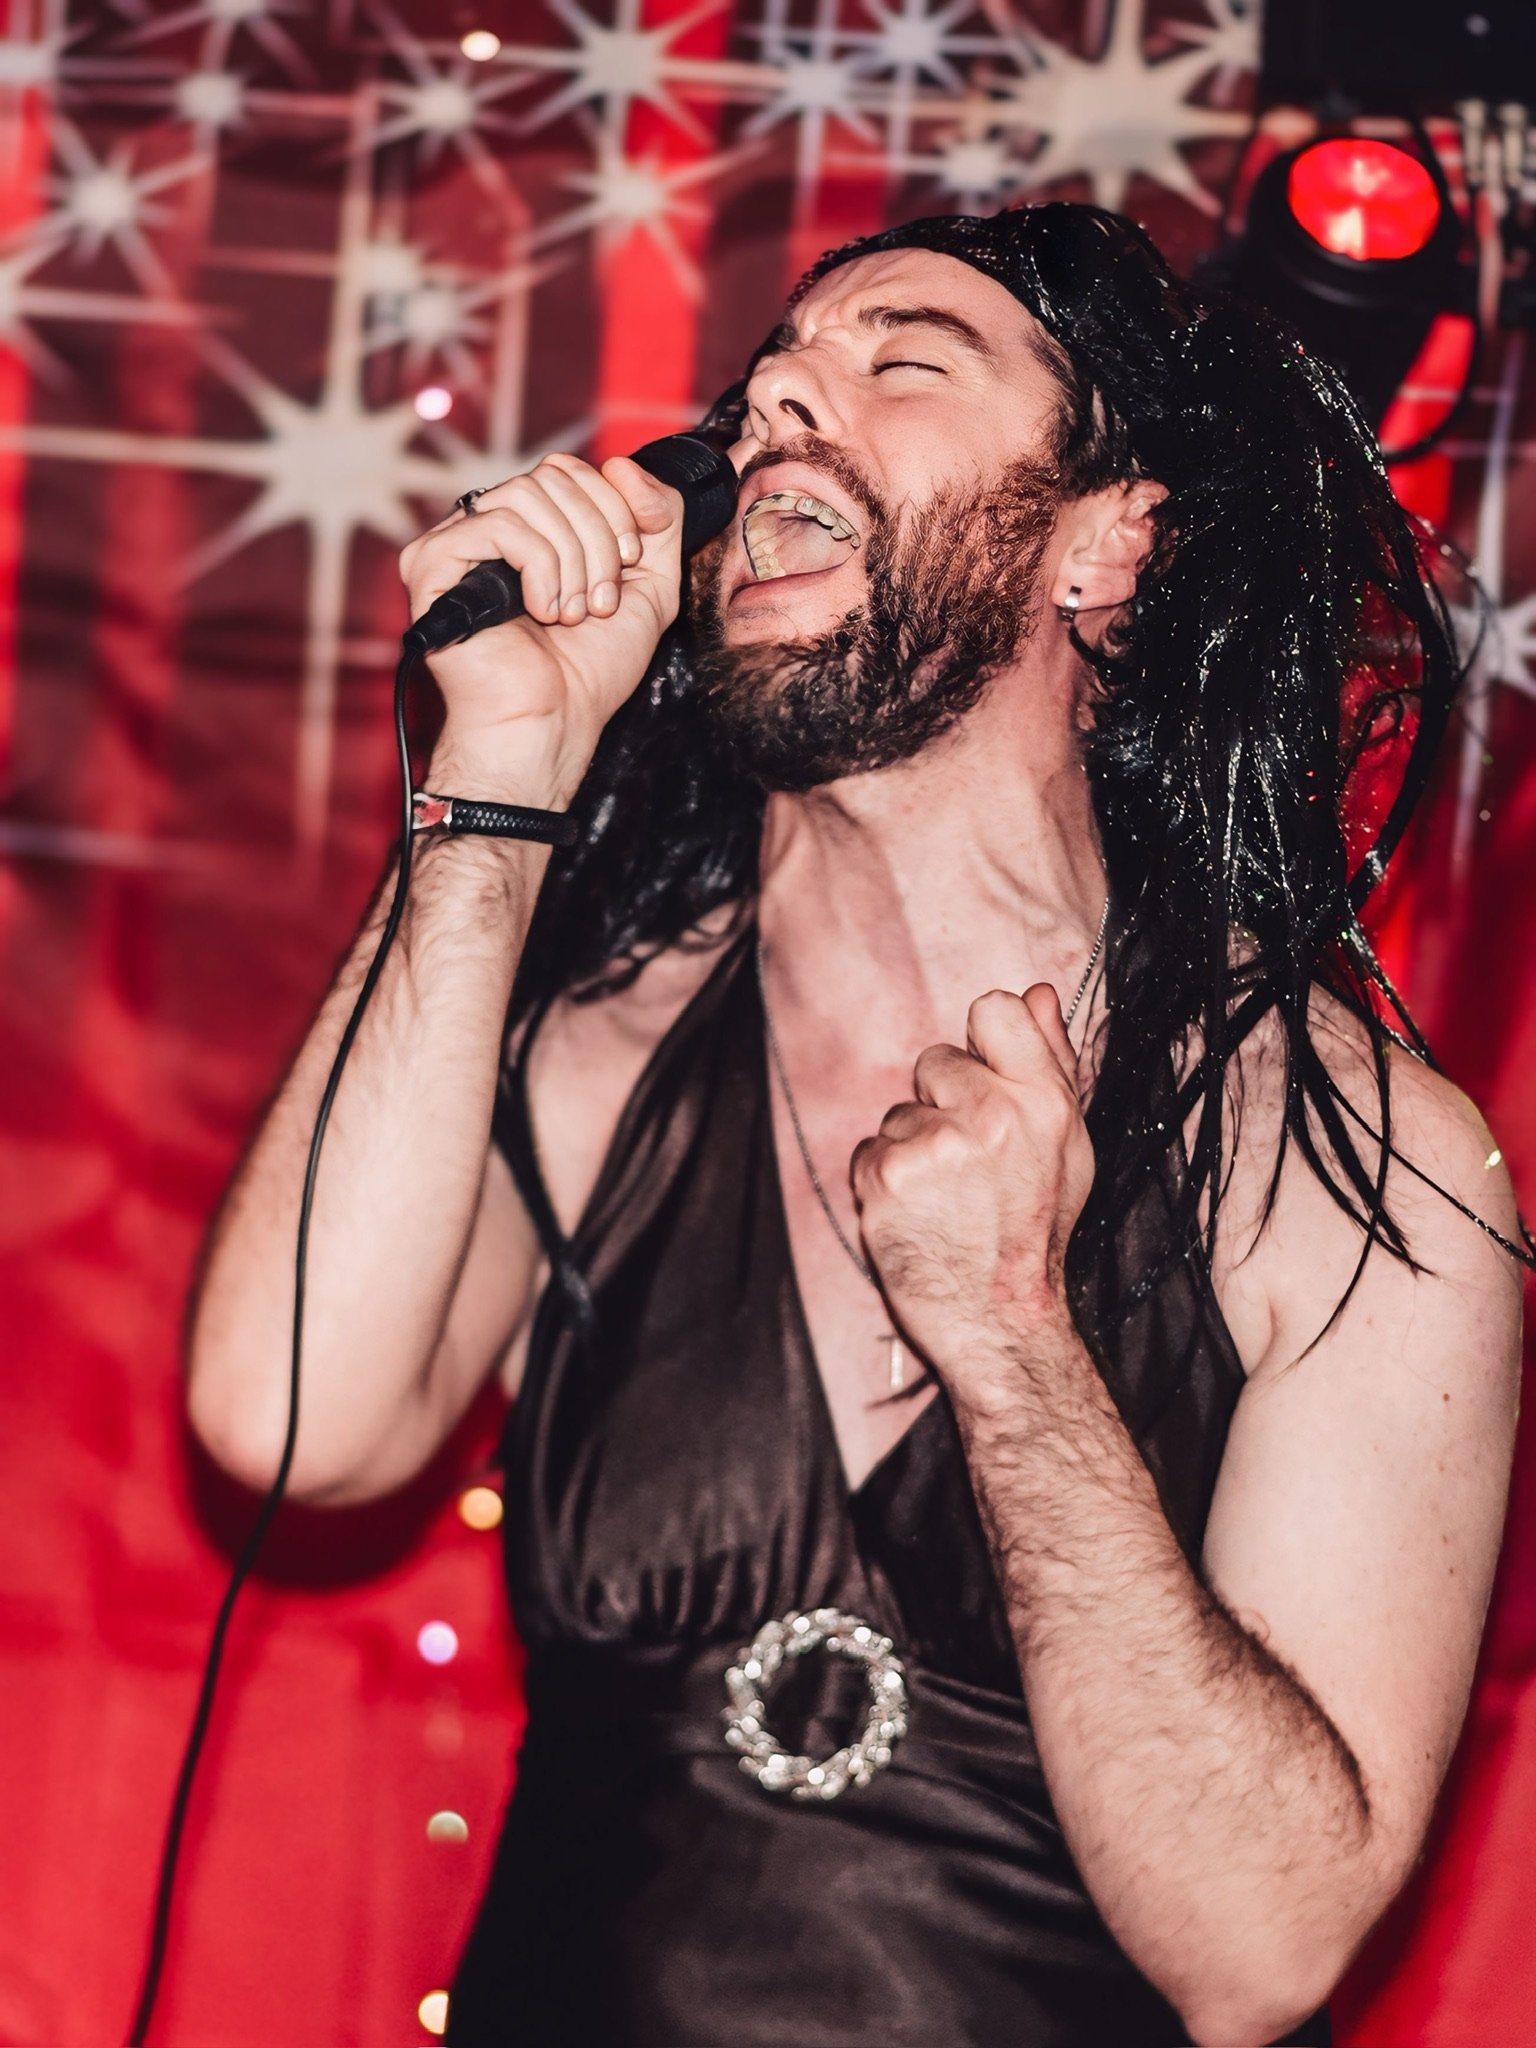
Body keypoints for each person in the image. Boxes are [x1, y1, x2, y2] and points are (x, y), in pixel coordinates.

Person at [185, 204, 1525, 2047]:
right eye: (770, 383)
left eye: (903, 359)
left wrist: (1014, 1342)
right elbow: (284, 1427)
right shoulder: (612, 1045)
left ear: (1106, 543)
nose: (785, 403)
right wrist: (499, 776)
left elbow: (1259, 1955)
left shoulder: (1349, 1156)